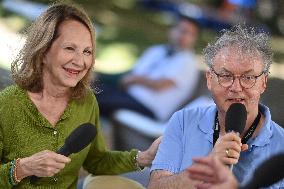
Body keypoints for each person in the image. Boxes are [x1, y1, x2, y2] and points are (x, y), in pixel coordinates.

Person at [0, 3, 161, 188]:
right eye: (69, 48)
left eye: (87, 51)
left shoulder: (86, 102)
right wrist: (22, 168)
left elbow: (97, 161)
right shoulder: (6, 105)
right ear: (43, 51)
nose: (80, 61)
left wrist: (145, 156)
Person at [148, 24, 284, 189]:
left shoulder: (281, 144)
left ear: (263, 83)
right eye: (226, 76)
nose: (236, 87)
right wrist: (207, 166)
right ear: (209, 79)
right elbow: (156, 186)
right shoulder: (183, 121)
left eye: (248, 77)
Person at [95, 15, 200, 121]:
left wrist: (135, 79)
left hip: (148, 109)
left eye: (191, 34)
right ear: (171, 31)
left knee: (97, 100)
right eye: (182, 30)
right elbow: (132, 73)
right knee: (92, 89)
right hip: (128, 96)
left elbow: (160, 85)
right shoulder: (157, 50)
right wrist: (101, 75)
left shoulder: (188, 62)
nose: (184, 36)